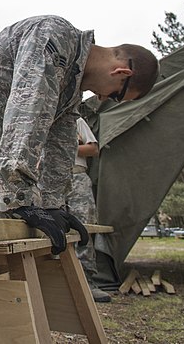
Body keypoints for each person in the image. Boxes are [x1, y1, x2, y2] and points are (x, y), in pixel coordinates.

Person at [0, 14, 159, 341]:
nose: (104, 99)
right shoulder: (54, 36)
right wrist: (20, 196)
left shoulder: (72, 84)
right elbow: (29, 110)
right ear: (121, 72)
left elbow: (59, 141)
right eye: (115, 95)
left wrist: (54, 205)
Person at [66, 117, 110, 302]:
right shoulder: (39, 118)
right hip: (48, 180)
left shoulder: (75, 120)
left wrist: (64, 148)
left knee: (84, 227)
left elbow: (93, 148)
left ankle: (87, 281)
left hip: (76, 178)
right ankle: (58, 281)